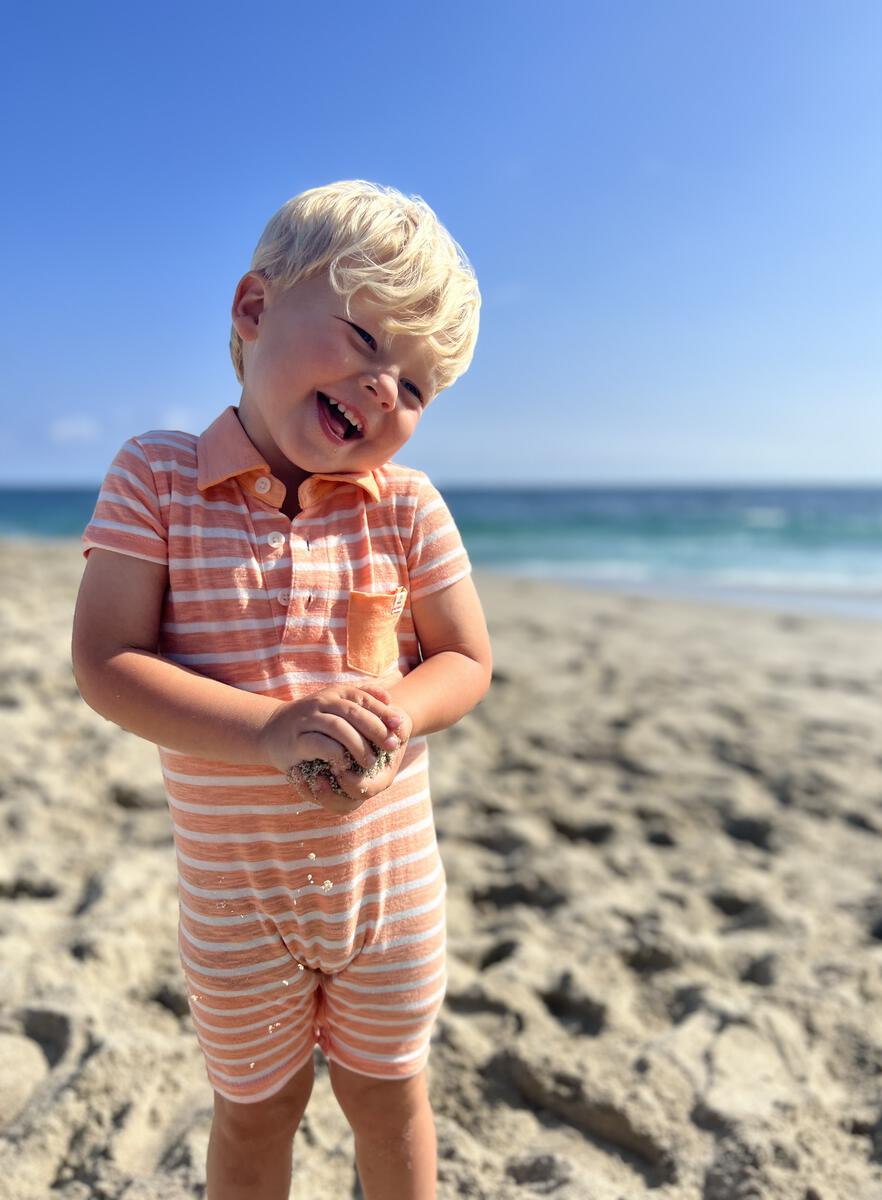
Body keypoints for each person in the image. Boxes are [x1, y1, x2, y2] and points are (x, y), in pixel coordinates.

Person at [71, 179, 492, 1200]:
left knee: (389, 1101)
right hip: (236, 898)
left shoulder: (406, 509)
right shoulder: (158, 478)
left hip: (386, 895)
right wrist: (269, 733)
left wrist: (397, 709)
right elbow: (107, 661)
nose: (388, 388)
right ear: (253, 311)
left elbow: (465, 660)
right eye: (363, 340)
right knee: (257, 1113)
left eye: (420, 386)